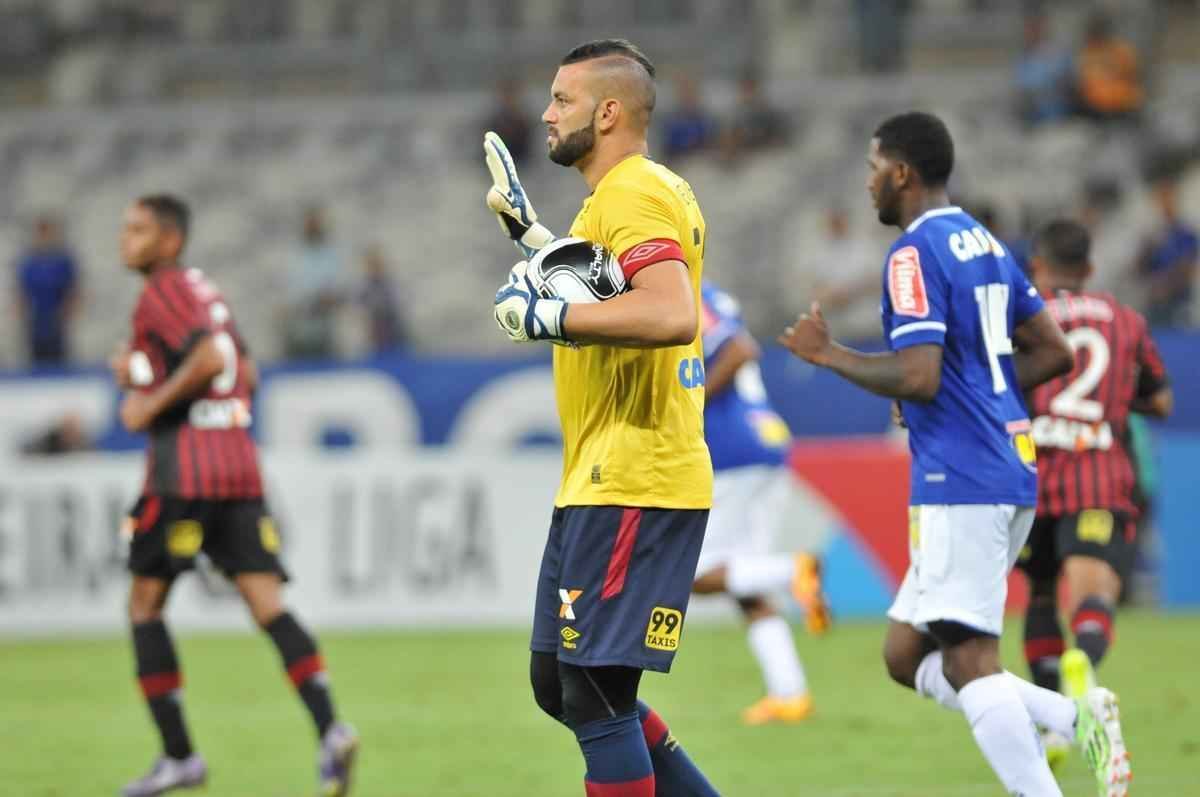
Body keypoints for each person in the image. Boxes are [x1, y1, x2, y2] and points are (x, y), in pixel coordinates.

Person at [777, 111, 1130, 796]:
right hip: (1008, 463)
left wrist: (829, 354)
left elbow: (920, 376)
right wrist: (976, 389)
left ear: (901, 172)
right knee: (907, 652)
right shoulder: (982, 240)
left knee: (970, 658)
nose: (870, 183)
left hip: (962, 476)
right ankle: (1069, 712)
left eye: (874, 168)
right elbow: (1051, 350)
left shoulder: (913, 253)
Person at [487, 40, 719, 797]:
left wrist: (546, 316)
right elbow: (614, 285)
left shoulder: (634, 192)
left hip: (635, 473)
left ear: (609, 111)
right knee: (559, 682)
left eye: (562, 99)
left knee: (593, 692)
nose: (547, 114)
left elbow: (669, 310)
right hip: (601, 473)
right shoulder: (621, 197)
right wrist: (535, 241)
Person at [111, 195, 357, 797]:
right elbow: (242, 372)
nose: (126, 239)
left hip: (184, 476)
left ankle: (179, 757)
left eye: (139, 229)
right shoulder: (205, 290)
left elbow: (210, 358)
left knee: (145, 606)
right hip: (238, 470)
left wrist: (148, 401)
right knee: (267, 604)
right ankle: (330, 729)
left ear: (170, 240)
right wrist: (147, 375)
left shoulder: (163, 289)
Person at [1019, 219, 1172, 763]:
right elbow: (1161, 400)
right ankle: (1080, 663)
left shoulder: (1022, 317)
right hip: (1098, 477)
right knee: (1092, 597)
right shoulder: (1126, 321)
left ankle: (1050, 726)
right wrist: (1115, 401)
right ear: (1088, 269)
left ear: (1036, 266)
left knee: (1038, 596)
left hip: (1032, 478)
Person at [691, 279, 831, 725]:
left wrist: (690, 402)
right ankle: (790, 694)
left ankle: (794, 569)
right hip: (762, 439)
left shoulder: (687, 289)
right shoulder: (697, 287)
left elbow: (740, 348)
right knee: (743, 583)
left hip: (734, 448)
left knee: (692, 573)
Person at [1133, 173, 1198, 327]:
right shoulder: (1152, 234)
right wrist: (1149, 247)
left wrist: (1166, 286)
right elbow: (1139, 269)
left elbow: (1188, 268)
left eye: (1167, 197)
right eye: (1160, 199)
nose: (1164, 203)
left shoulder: (1185, 233)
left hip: (1178, 303)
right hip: (1155, 303)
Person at [15, 214, 79, 366]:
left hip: (57, 319)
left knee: (59, 359)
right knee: (36, 358)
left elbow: (72, 290)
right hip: (35, 319)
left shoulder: (63, 260)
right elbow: (21, 291)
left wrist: (68, 311)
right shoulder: (29, 261)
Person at [283, 206, 343, 360]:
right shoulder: (296, 254)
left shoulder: (331, 253)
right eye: (310, 223)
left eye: (316, 223)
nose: (313, 227)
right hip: (300, 322)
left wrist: (327, 298)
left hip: (326, 322)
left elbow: (337, 287)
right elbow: (291, 290)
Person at [358, 244, 407, 353]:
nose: (375, 268)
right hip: (375, 332)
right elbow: (360, 309)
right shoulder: (363, 287)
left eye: (377, 263)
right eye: (371, 264)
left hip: (393, 329)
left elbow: (399, 303)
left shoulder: (391, 283)